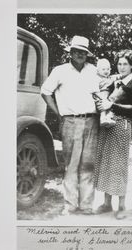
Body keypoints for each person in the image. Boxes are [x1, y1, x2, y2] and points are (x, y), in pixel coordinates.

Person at [41, 35, 99, 215]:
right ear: (71, 53)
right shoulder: (60, 71)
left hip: (91, 121)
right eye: (77, 51)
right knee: (72, 165)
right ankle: (71, 206)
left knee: (88, 164)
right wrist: (58, 114)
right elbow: (45, 92)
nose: (80, 55)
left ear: (87, 54)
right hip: (70, 121)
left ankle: (87, 206)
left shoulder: (93, 71)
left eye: (83, 52)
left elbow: (103, 93)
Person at [94, 49, 132, 219]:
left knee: (119, 166)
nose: (121, 67)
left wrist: (111, 106)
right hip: (107, 125)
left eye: (125, 64)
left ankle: (121, 206)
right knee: (106, 163)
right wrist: (102, 103)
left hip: (122, 126)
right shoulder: (115, 80)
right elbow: (103, 94)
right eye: (119, 64)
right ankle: (107, 203)